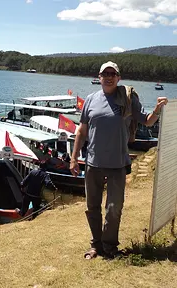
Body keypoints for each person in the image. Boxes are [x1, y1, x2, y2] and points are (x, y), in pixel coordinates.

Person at [69, 61, 168, 259]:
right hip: (93, 162)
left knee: (114, 208)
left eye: (112, 73)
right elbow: (81, 130)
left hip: (117, 164)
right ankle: (96, 245)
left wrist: (157, 109)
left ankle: (110, 246)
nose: (108, 76)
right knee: (92, 207)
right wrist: (73, 158)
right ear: (99, 77)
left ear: (118, 77)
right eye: (105, 73)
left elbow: (147, 121)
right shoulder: (90, 99)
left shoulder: (128, 99)